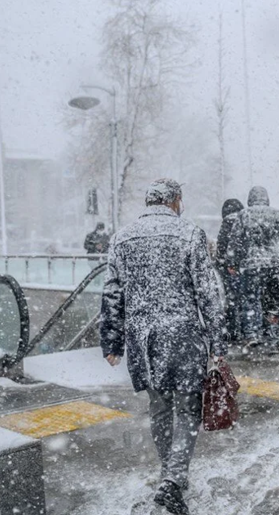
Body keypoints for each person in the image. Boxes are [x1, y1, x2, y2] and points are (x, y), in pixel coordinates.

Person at [100, 178, 226, 515]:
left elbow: (112, 293)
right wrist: (217, 341)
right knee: (187, 408)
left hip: (142, 337)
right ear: (175, 200)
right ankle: (173, 479)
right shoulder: (190, 234)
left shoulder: (121, 238)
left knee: (158, 406)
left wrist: (112, 341)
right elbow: (207, 293)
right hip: (182, 334)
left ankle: (169, 473)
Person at [227, 186, 279, 354]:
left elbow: (235, 240)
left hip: (251, 266)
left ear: (250, 199)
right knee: (272, 303)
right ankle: (273, 339)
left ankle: (252, 334)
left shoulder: (243, 215)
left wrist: (232, 262)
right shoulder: (277, 215)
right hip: (273, 266)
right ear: (266, 198)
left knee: (250, 300)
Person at [217, 198, 245, 345]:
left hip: (229, 268)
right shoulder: (244, 221)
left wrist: (223, 264)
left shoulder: (227, 223)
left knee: (231, 299)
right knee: (247, 298)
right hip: (245, 266)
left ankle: (233, 331)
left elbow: (221, 247)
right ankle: (248, 330)